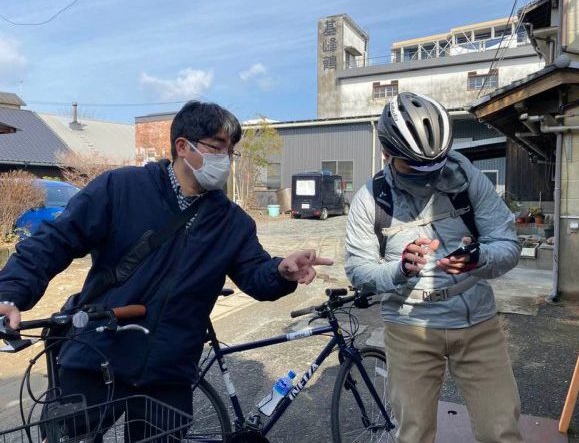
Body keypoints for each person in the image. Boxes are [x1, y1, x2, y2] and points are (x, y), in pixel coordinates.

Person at [0, 100, 333, 438]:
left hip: (168, 371)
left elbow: (256, 275)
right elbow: (56, 240)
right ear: (183, 147)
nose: (226, 160)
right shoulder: (121, 188)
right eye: (217, 147)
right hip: (97, 355)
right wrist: (11, 292)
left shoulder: (232, 222)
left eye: (231, 151)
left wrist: (281, 272)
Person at [345, 92, 523, 443]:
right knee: (414, 433)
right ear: (387, 153)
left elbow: (509, 245)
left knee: (501, 430)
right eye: (415, 167)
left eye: (436, 165)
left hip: (477, 323)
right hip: (408, 326)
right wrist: (400, 270)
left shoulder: (467, 178)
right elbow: (359, 271)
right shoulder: (370, 198)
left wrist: (478, 259)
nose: (429, 176)